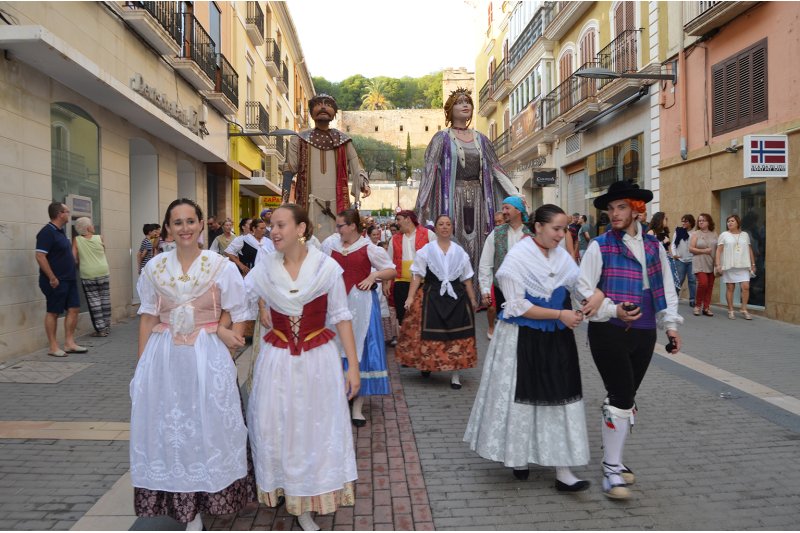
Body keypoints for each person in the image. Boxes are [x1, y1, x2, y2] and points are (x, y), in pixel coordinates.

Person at [131, 198, 255, 531]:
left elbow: (240, 313)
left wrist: (227, 352)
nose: (184, 228)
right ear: (168, 229)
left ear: (202, 224)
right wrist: (142, 370)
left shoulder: (220, 266)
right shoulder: (154, 268)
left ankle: (209, 496)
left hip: (207, 355)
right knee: (174, 431)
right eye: (177, 222)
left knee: (207, 428)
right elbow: (148, 318)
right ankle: (188, 511)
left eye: (190, 221)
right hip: (166, 358)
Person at [466, 204, 602, 490]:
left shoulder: (562, 258)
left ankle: (563, 471)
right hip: (521, 337)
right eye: (556, 228)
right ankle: (519, 458)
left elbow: (580, 291)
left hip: (556, 338)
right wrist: (560, 315)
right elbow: (519, 306)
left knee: (561, 398)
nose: (561, 234)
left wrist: (598, 298)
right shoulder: (517, 258)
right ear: (538, 227)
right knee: (522, 401)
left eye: (564, 229)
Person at [244, 204, 360, 532]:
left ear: (301, 229)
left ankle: (306, 501)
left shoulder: (326, 267)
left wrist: (352, 366)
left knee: (313, 427)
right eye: (271, 227)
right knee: (277, 425)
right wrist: (258, 307)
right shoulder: (264, 268)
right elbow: (238, 299)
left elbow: (340, 317)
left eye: (281, 225)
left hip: (317, 360)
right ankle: (287, 487)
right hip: (277, 359)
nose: (274, 231)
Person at [577, 180, 683, 500]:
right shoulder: (600, 245)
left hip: (645, 330)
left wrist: (671, 326)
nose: (613, 213)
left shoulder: (653, 247)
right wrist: (612, 308)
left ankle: (616, 459)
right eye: (610, 208)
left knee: (626, 398)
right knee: (622, 395)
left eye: (620, 207)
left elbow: (665, 286)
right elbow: (582, 289)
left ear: (637, 210)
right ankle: (611, 470)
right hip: (608, 330)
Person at [415, 88, 517, 296]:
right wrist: (422, 206)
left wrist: (514, 195)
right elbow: (429, 172)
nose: (465, 105)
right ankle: (454, 291)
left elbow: (496, 169)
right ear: (450, 110)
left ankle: (479, 294)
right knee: (454, 238)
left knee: (480, 241)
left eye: (468, 102)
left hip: (479, 197)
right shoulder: (441, 138)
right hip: (451, 198)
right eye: (459, 102)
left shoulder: (481, 139)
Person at [322, 209, 396, 426]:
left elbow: (391, 270)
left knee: (360, 351)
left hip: (362, 306)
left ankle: (357, 407)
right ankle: (338, 399)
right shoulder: (331, 246)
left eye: (340, 226)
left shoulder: (369, 248)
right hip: (335, 306)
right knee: (335, 350)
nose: (338, 230)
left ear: (352, 226)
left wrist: (374, 275)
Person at [397, 215, 478, 389]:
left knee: (458, 336)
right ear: (436, 228)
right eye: (441, 224)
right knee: (424, 331)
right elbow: (417, 275)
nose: (445, 227)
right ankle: (427, 365)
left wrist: (472, 298)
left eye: (448, 224)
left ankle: (455, 375)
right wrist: (410, 297)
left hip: (456, 297)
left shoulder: (459, 252)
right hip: (432, 295)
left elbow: (467, 278)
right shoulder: (426, 250)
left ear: (452, 228)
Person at [282, 94, 369, 241]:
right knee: (307, 237)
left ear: (334, 113)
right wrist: (284, 197)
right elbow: (290, 168)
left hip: (337, 198)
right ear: (311, 112)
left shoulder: (343, 140)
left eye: (328, 104)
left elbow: (355, 163)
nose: (323, 107)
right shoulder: (298, 139)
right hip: (308, 198)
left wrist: (363, 183)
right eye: (318, 104)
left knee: (338, 237)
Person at [35, 202, 88, 357]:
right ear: (59, 213)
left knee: (74, 309)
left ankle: (69, 343)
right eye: (67, 211)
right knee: (53, 312)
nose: (69, 214)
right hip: (55, 281)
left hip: (69, 279)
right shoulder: (46, 232)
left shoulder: (60, 232)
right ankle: (53, 347)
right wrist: (52, 277)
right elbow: (40, 256)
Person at [478, 196, 533, 341]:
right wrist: (485, 289)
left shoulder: (532, 233)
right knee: (506, 331)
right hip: (503, 291)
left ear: (519, 210)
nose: (504, 212)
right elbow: (485, 264)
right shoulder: (496, 233)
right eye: (503, 208)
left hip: (528, 291)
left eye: (507, 208)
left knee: (526, 331)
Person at [384, 210, 435, 326]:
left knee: (423, 317)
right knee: (403, 318)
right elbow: (388, 263)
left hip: (424, 283)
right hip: (401, 283)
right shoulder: (394, 239)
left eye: (398, 219)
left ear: (408, 219)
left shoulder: (428, 234)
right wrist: (385, 282)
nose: (397, 223)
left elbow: (438, 258)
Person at [72, 217, 111, 337]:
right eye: (92, 225)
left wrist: (81, 261)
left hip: (88, 273)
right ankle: (107, 325)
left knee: (94, 302)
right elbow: (103, 252)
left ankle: (101, 330)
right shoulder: (100, 237)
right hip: (103, 270)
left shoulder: (76, 240)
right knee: (105, 299)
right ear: (88, 228)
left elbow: (73, 258)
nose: (93, 226)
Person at [715, 214, 756, 320]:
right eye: (728, 221)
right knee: (730, 287)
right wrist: (718, 264)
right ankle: (731, 310)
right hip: (729, 264)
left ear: (737, 222)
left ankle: (744, 309)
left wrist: (753, 264)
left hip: (743, 264)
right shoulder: (724, 235)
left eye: (732, 221)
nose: (730, 223)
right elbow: (719, 251)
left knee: (746, 287)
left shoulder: (745, 235)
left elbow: (749, 249)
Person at [689, 213, 718, 317]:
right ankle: (697, 306)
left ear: (708, 222)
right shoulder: (695, 233)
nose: (701, 222)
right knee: (703, 283)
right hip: (699, 262)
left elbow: (718, 250)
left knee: (709, 286)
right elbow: (691, 249)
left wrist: (718, 262)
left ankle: (706, 307)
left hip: (712, 262)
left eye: (703, 220)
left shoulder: (714, 234)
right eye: (699, 220)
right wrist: (704, 251)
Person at [647, 211, 679, 288]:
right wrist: (662, 242)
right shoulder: (651, 232)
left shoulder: (665, 232)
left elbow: (668, 248)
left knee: (673, 282)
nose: (667, 220)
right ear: (659, 220)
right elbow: (649, 248)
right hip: (658, 260)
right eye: (665, 218)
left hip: (668, 259)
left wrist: (672, 257)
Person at [671, 214, 697, 309]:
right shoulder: (678, 231)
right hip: (680, 260)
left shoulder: (695, 233)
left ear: (691, 222)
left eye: (686, 221)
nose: (683, 223)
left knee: (692, 280)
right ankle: (674, 297)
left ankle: (692, 300)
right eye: (682, 221)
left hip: (692, 260)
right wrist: (674, 254)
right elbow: (673, 244)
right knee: (679, 280)